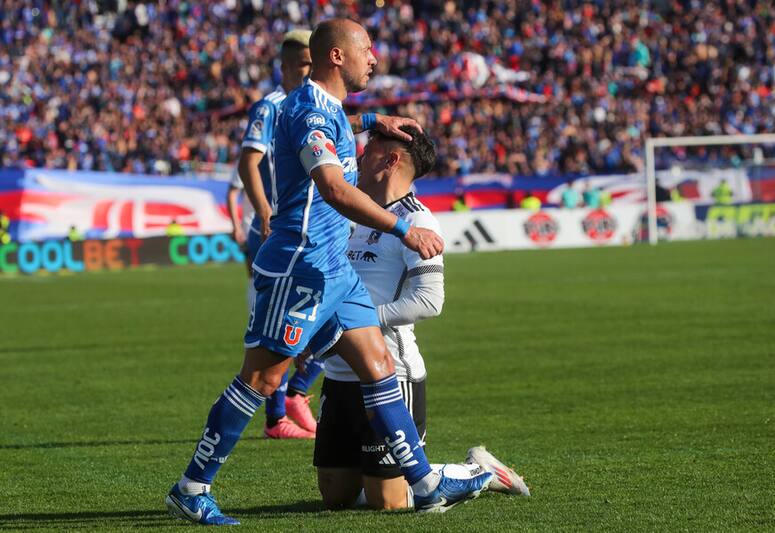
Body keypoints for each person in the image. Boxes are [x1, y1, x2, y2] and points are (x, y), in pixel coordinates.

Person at [165, 19, 491, 526]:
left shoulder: (327, 108)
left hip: (334, 269)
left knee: (378, 364)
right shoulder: (309, 110)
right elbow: (335, 189)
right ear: (337, 56)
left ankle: (425, 484)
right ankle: (192, 487)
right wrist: (403, 228)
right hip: (301, 267)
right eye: (367, 49)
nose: (375, 58)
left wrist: (377, 119)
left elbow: (334, 123)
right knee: (262, 378)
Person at [314, 126, 529, 510]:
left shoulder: (418, 221)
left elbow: (429, 301)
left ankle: (477, 470)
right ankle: (405, 476)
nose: (359, 156)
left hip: (390, 371)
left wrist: (359, 323)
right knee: (335, 494)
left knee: (389, 501)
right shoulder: (355, 212)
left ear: (391, 159)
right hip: (339, 371)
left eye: (369, 149)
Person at [235, 29, 324, 440]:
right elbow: (247, 163)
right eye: (303, 64)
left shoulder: (311, 104)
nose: (309, 72)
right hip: (275, 228)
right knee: (281, 324)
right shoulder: (270, 106)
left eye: (313, 64)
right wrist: (264, 211)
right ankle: (277, 415)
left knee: (322, 317)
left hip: (306, 227)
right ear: (286, 67)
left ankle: (294, 395)